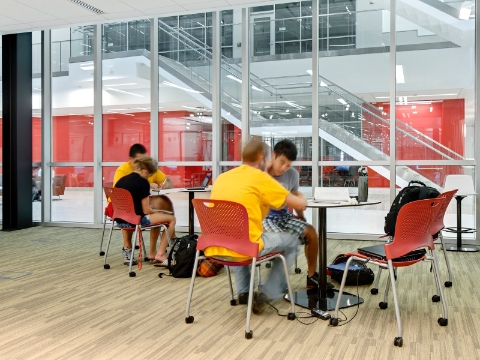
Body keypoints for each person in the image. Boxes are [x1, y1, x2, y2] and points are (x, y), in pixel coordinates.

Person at [206, 139, 307, 313]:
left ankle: (244, 292)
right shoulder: (259, 178)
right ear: (261, 157)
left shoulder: (223, 177)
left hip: (217, 245)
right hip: (245, 246)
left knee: (240, 235)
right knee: (291, 242)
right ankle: (267, 293)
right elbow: (299, 204)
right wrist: (302, 197)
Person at [263, 139, 333, 290]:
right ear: (273, 155)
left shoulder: (292, 174)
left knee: (311, 233)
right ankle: (274, 284)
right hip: (264, 218)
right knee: (281, 241)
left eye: (288, 165)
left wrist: (300, 215)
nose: (283, 168)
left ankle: (312, 277)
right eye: (281, 162)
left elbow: (294, 196)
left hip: (284, 217)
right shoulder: (262, 173)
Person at [111, 143, 175, 262]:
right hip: (135, 221)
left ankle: (152, 252)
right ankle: (160, 254)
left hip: (119, 220)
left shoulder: (121, 180)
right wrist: (157, 212)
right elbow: (146, 210)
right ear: (145, 171)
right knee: (171, 219)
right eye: (149, 175)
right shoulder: (143, 182)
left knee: (160, 214)